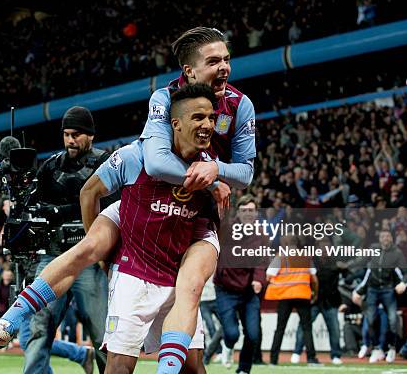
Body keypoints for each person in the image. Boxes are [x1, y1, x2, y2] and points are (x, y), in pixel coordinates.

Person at [0, 27, 255, 373]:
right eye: (214, 61)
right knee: (87, 249)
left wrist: (216, 170)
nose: (224, 67)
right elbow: (145, 167)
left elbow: (245, 172)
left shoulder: (239, 106)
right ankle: (8, 323)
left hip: (193, 222)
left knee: (191, 323)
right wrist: (210, 179)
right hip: (141, 224)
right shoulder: (146, 136)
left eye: (227, 59)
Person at [83, 83, 224, 373]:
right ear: (176, 123)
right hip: (134, 276)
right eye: (198, 117)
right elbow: (88, 193)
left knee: (194, 367)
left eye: (211, 118)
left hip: (178, 281)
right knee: (120, 366)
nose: (208, 125)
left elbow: (212, 225)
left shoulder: (208, 169)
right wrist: (99, 253)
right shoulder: (136, 155)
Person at [0, 106, 111, 374]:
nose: (70, 140)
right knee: (37, 330)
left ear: (91, 135)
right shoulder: (51, 166)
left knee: (102, 334)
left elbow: (112, 208)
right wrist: (13, 211)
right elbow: (30, 205)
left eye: (77, 134)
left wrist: (58, 211)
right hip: (53, 256)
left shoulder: (106, 163)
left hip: (91, 259)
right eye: (67, 134)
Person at [213, 194, 264, 374]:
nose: (248, 214)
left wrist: (258, 279)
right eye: (244, 211)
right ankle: (227, 346)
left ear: (257, 213)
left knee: (253, 334)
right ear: (238, 213)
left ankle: (243, 369)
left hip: (249, 291)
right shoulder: (228, 227)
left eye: (251, 211)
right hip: (225, 289)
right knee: (232, 334)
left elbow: (262, 260)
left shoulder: (261, 234)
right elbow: (220, 217)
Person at [352, 230, 407, 364]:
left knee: (392, 320)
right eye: (382, 236)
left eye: (388, 236)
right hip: (372, 290)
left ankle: (392, 348)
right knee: (370, 319)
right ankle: (376, 348)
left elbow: (404, 272)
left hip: (388, 289)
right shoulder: (373, 249)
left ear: (392, 238)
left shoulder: (397, 253)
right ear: (379, 238)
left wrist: (403, 283)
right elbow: (362, 264)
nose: (385, 239)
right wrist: (347, 265)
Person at [266, 235, 321, 366]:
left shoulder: (281, 256)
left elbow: (269, 275)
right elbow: (314, 279)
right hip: (302, 295)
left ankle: (273, 360)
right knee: (307, 328)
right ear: (297, 242)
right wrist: (315, 294)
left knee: (280, 328)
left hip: (284, 296)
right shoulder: (305, 256)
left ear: (284, 243)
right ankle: (311, 359)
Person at [291, 237, 344, 365]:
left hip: (330, 301)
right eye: (322, 245)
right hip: (313, 300)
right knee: (303, 326)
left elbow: (346, 276)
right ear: (317, 247)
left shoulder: (336, 262)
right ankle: (296, 352)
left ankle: (335, 355)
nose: (325, 248)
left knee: (335, 329)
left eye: (327, 245)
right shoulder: (311, 261)